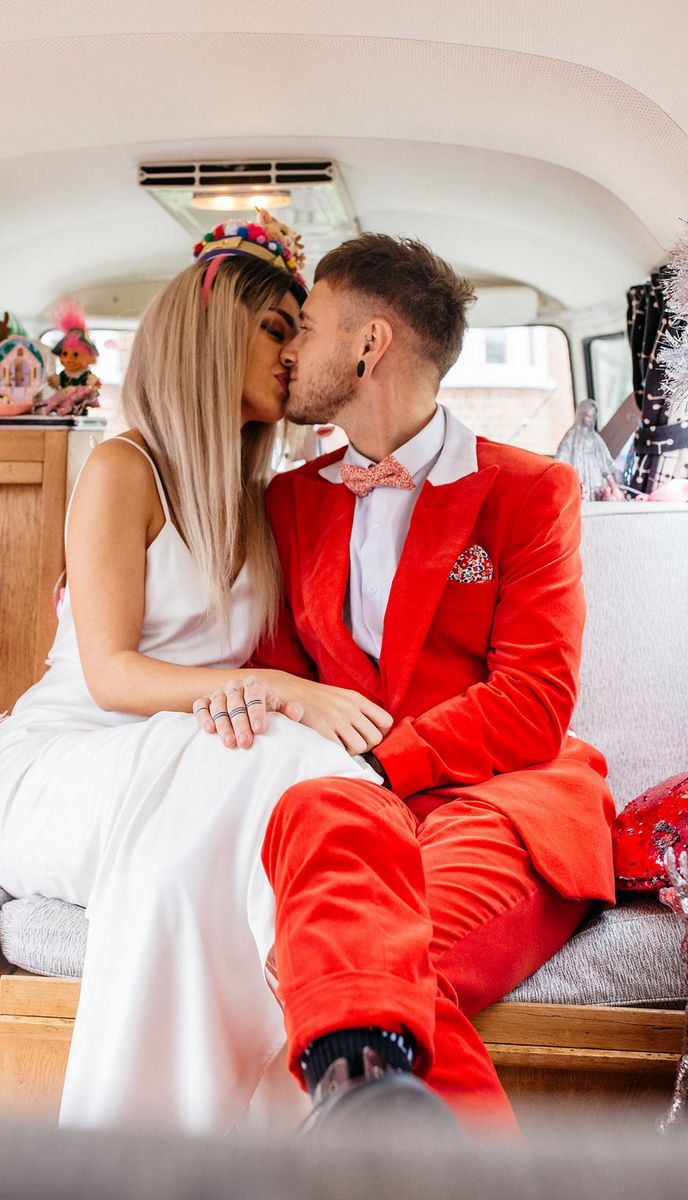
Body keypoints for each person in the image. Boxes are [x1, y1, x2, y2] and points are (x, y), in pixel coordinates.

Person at [0, 214, 403, 1134]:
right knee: (273, 747)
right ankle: (340, 1066)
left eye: (301, 331)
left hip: (197, 751)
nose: (294, 354)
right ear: (208, 340)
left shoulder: (260, 501)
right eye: (277, 329)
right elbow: (114, 674)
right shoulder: (125, 470)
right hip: (69, 763)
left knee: (249, 780)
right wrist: (281, 695)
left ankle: (329, 1061)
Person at [193, 233, 617, 1131]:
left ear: (369, 343)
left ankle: (354, 1104)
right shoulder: (289, 501)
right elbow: (280, 675)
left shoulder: (531, 493)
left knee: (364, 963)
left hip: (499, 799)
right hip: (346, 805)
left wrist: (382, 766)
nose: (290, 351)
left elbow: (535, 702)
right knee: (313, 818)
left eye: (304, 325)